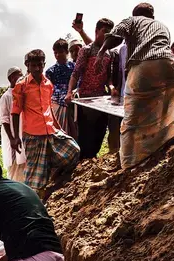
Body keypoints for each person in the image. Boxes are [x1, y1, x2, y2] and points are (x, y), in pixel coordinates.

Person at [100, 3, 174, 168]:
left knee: (130, 120)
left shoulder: (132, 20)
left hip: (142, 65)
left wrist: (101, 51)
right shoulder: (162, 26)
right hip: (167, 63)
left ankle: (128, 163)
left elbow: (114, 36)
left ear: (135, 14)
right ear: (152, 16)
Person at [12, 50, 80, 198]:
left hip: (51, 130)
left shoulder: (48, 84)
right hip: (33, 134)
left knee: (73, 150)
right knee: (34, 176)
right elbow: (15, 112)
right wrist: (15, 137)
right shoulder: (21, 86)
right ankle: (32, 202)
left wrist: (59, 128)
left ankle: (56, 182)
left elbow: (48, 108)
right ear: (27, 66)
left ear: (44, 65)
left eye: (40, 65)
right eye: (33, 65)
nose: (37, 68)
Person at [66, 18, 115, 159]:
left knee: (99, 133)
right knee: (86, 136)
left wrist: (112, 87)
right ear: (96, 31)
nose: (106, 36)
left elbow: (108, 77)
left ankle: (92, 162)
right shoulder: (86, 50)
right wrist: (69, 92)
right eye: (104, 32)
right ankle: (82, 165)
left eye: (109, 33)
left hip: (102, 101)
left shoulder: (109, 54)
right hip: (86, 99)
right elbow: (75, 74)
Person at [0, 67, 26, 182]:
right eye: (17, 75)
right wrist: (12, 138)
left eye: (21, 75)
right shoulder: (6, 97)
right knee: (15, 164)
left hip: (23, 135)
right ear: (10, 78)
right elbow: (4, 120)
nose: (20, 77)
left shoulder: (24, 94)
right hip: (13, 138)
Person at [46, 39, 76, 132]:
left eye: (60, 52)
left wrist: (72, 93)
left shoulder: (74, 67)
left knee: (74, 130)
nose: (58, 55)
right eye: (55, 53)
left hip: (73, 102)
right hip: (56, 105)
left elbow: (79, 82)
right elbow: (47, 90)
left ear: (67, 52)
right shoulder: (50, 71)